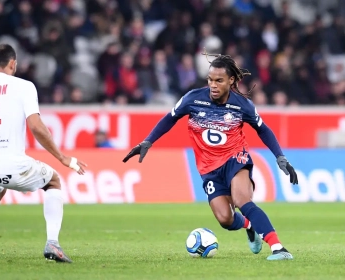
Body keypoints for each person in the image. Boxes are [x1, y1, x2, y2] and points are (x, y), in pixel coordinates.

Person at [123, 52, 298, 261]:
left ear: (231, 81)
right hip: (208, 168)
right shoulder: (193, 98)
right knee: (225, 219)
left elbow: (263, 130)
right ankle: (250, 225)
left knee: (242, 199)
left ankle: (279, 248)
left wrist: (280, 157)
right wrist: (148, 142)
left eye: (219, 80)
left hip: (235, 158)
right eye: (210, 80)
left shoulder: (242, 105)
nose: (213, 85)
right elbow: (170, 118)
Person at [0, 44, 87, 263]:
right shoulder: (24, 86)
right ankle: (52, 243)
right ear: (13, 64)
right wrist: (63, 157)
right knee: (53, 181)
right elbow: (36, 127)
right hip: (12, 165)